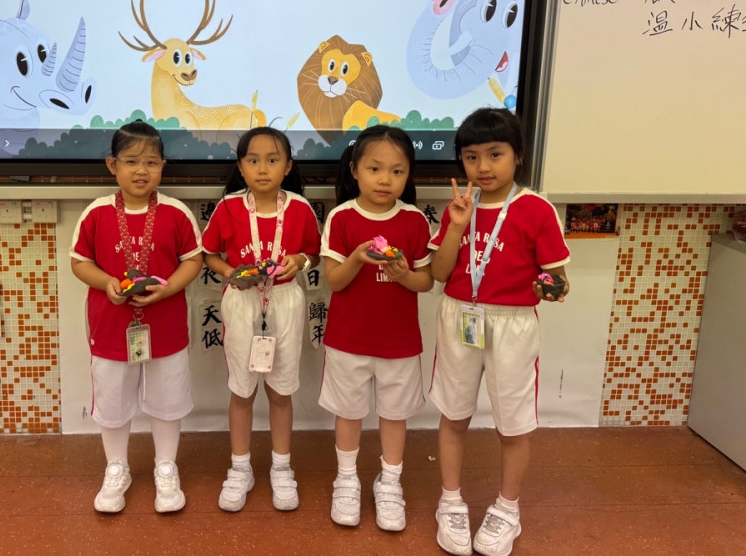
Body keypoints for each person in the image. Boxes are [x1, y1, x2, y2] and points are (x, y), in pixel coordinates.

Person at [429, 107, 570, 556]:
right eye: (471, 157)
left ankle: (508, 509)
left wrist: (551, 288)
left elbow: (557, 278)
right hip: (460, 316)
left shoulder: (536, 209)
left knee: (513, 425)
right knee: (453, 415)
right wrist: (456, 226)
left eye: (495, 154)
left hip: (513, 323)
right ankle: (450, 501)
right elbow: (439, 272)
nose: (483, 167)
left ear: (518, 156)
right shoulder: (459, 207)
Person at [70, 120, 203, 515]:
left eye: (151, 162)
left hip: (166, 326)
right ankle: (117, 468)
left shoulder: (177, 213)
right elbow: (80, 263)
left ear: (163, 166)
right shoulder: (95, 213)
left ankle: (166, 467)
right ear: (112, 165)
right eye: (131, 161)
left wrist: (170, 287)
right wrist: (107, 283)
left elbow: (193, 260)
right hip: (111, 328)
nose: (141, 170)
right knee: (112, 400)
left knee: (168, 399)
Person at [319, 124, 434, 532]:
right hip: (348, 340)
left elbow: (426, 281)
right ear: (355, 170)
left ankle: (390, 482)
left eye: (397, 171)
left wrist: (403, 274)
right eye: (374, 169)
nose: (385, 179)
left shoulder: (415, 220)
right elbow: (334, 281)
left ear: (408, 175)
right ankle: (346, 480)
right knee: (348, 413)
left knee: (394, 415)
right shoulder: (341, 217)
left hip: (399, 343)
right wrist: (355, 258)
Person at [202, 127, 321, 513]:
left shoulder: (300, 209)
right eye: (253, 160)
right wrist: (230, 273)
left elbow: (313, 254)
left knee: (281, 392)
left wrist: (300, 261)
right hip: (242, 300)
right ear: (241, 167)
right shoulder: (228, 208)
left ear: (288, 166)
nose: (263, 168)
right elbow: (210, 254)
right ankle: (240, 468)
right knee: (242, 391)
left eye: (273, 160)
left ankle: (281, 467)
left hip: (285, 301)